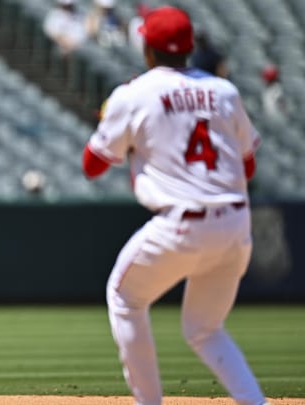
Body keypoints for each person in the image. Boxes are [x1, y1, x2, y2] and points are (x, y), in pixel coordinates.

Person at [81, 7, 269, 405]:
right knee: (204, 328)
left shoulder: (133, 95)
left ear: (147, 48)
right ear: (191, 47)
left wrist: (118, 128)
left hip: (181, 224)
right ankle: (255, 402)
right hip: (236, 224)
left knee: (124, 297)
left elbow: (92, 165)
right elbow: (248, 164)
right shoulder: (223, 91)